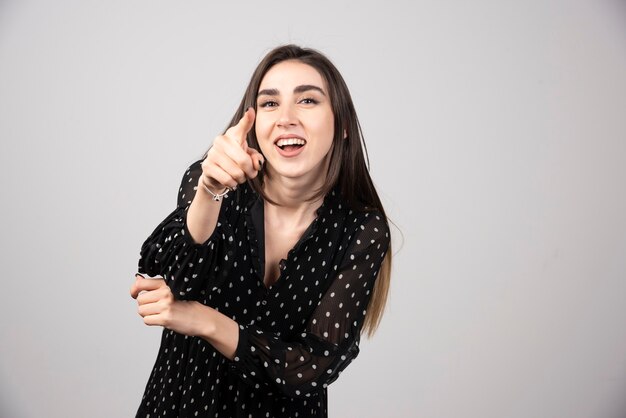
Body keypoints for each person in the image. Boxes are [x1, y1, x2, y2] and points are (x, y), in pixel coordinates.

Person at [130, 44, 392, 418]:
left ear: (343, 125)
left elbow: (312, 367)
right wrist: (208, 191)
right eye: (270, 103)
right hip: (181, 404)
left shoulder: (361, 230)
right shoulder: (212, 185)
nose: (285, 118)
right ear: (253, 123)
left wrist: (204, 321)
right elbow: (178, 277)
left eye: (307, 101)